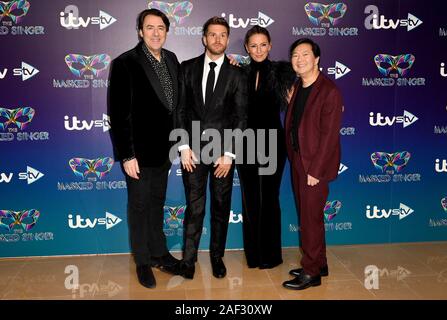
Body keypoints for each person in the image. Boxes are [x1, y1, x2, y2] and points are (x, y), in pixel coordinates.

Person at [109, 8, 180, 289]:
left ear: (166, 31)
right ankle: (142, 261)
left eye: (160, 27)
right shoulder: (125, 63)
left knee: (156, 204)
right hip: (137, 155)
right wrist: (127, 154)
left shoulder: (173, 59)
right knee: (138, 206)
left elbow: (175, 105)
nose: (155, 32)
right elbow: (119, 114)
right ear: (140, 31)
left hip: (164, 152)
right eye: (149, 27)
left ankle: (159, 253)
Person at [175, 16, 248, 279]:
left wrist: (229, 154)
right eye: (212, 34)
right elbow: (180, 110)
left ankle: (217, 257)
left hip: (223, 156)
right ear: (204, 38)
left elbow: (241, 117)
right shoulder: (186, 68)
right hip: (192, 153)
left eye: (223, 35)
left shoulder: (237, 74)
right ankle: (189, 260)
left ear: (227, 39)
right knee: (194, 208)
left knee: (220, 206)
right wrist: (183, 146)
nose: (217, 39)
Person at [283, 38, 343, 290]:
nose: (299, 59)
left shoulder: (329, 90)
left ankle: (311, 273)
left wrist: (315, 171)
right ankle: (320, 263)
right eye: (295, 55)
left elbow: (329, 137)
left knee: (310, 220)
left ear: (317, 59)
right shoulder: (298, 86)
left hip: (314, 167)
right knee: (310, 217)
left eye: (305, 54)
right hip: (298, 160)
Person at [237, 26, 294, 269]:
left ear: (270, 46)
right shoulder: (239, 73)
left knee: (269, 197)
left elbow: (297, 100)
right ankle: (253, 254)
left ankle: (270, 255)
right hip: (245, 142)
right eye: (253, 45)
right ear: (246, 48)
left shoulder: (283, 71)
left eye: (263, 45)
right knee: (249, 198)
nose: (258, 50)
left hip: (273, 142)